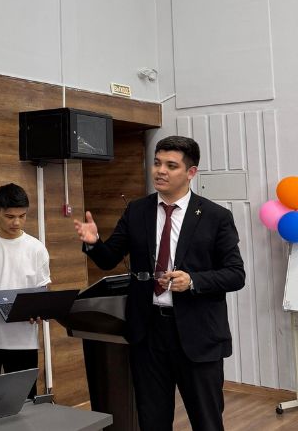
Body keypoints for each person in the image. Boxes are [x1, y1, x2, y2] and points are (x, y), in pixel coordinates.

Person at [74, 135, 245, 431]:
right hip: (148, 333)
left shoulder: (215, 216)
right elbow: (108, 258)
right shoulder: (137, 210)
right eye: (157, 163)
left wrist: (193, 280)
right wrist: (93, 242)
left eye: (171, 165)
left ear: (191, 172)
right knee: (152, 420)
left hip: (198, 335)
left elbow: (235, 274)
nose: (160, 171)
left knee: (206, 421)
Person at [0, 183, 50, 397]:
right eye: (10, 216)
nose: (17, 222)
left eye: (22, 216)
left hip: (23, 340)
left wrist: (39, 310)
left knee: (25, 403)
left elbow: (42, 290)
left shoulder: (36, 248)